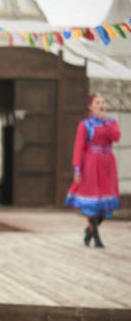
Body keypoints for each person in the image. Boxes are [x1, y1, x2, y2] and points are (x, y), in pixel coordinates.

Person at [65, 93, 121, 247]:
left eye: (103, 102)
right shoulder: (85, 125)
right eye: (97, 102)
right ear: (90, 106)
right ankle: (96, 237)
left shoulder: (111, 122)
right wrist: (77, 169)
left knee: (105, 205)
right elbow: (78, 147)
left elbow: (116, 137)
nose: (101, 105)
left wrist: (104, 122)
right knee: (92, 202)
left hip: (108, 165)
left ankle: (89, 230)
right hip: (91, 165)